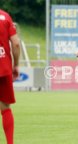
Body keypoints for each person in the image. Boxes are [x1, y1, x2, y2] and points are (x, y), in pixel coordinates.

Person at [0, 9, 21, 144]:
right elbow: (16, 43)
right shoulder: (5, 16)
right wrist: (16, 65)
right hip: (3, 67)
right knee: (5, 108)